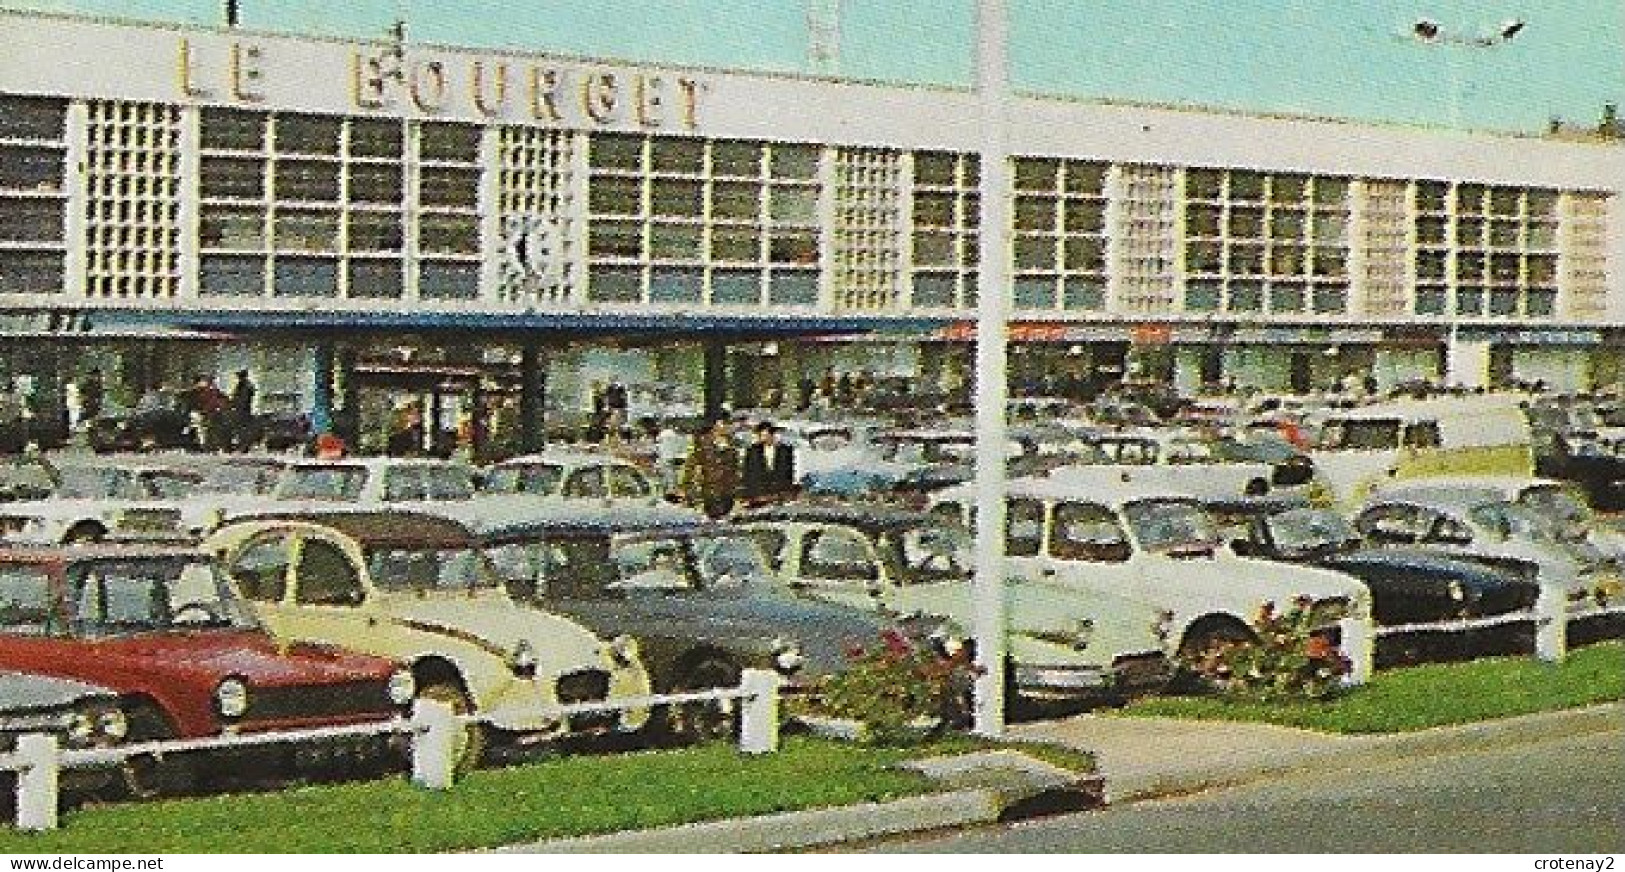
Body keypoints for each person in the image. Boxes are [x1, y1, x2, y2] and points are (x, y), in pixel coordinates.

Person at [679, 416, 740, 520]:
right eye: (723, 424)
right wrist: (689, 494)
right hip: (709, 493)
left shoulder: (732, 447)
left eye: (727, 424)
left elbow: (735, 470)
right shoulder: (702, 446)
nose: (726, 427)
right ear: (715, 427)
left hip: (727, 493)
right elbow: (690, 470)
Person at [740, 420, 796, 506]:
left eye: (764, 435)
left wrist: (786, 492)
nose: (762, 438)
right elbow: (748, 472)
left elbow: (789, 473)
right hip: (759, 493)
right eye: (760, 435)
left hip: (779, 493)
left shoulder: (785, 450)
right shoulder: (752, 450)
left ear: (772, 434)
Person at [230, 369, 256, 451]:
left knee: (242, 428)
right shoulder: (244, 384)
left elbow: (241, 399)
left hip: (243, 410)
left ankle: (243, 445)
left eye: (239, 376)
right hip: (242, 409)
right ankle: (242, 445)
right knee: (241, 428)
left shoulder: (245, 385)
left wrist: (234, 404)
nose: (238, 377)